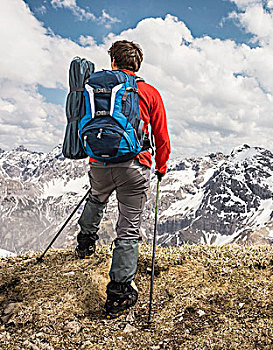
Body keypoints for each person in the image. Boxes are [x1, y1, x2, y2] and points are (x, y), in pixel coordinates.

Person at [75, 40, 171, 318]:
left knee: (96, 198)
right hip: (134, 167)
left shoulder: (95, 89)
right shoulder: (148, 92)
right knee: (128, 229)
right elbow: (161, 136)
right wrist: (161, 167)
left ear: (113, 62)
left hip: (99, 164)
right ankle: (119, 293)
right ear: (137, 64)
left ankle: (85, 242)